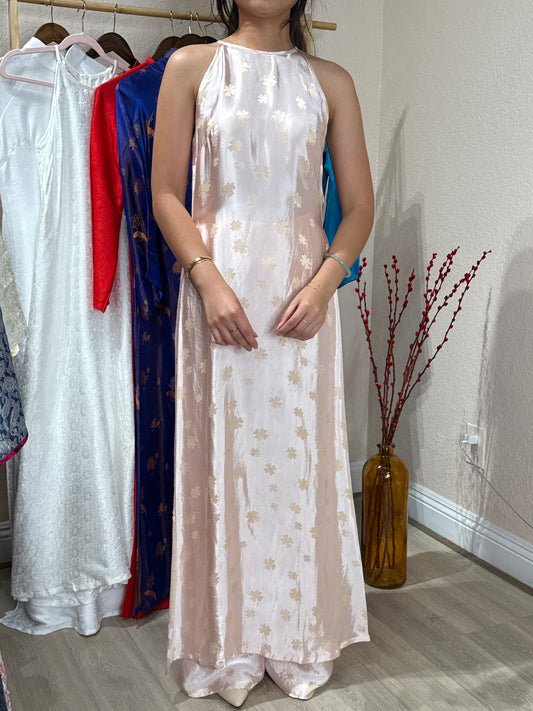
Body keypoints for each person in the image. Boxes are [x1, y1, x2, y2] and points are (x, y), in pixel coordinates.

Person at [152, 0, 374, 706]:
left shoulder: (331, 81)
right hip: (219, 296)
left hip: (301, 302)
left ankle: (296, 634)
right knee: (223, 462)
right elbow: (165, 193)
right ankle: (225, 643)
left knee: (297, 465)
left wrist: (326, 282)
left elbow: (359, 206)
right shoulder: (191, 67)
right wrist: (206, 279)